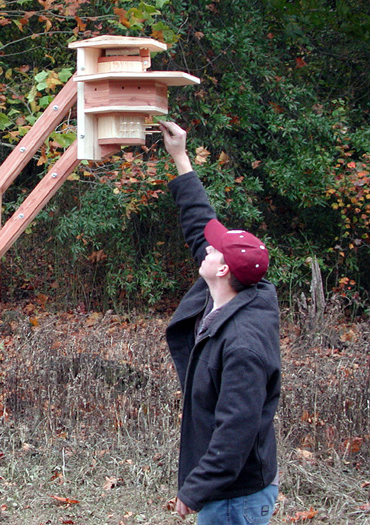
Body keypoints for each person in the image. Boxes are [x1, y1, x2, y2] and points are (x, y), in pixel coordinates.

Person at [158, 121, 281, 524]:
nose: (205, 249)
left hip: (235, 497)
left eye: (213, 250)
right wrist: (180, 156)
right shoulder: (228, 290)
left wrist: (196, 489)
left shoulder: (244, 343)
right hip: (226, 490)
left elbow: (237, 431)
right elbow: (200, 223)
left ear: (224, 268)